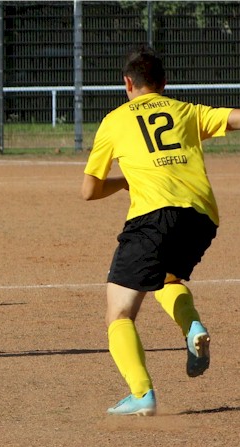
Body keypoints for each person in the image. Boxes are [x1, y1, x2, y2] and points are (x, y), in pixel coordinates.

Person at [81, 44, 240, 416]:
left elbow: (89, 190)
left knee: (119, 313)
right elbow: (235, 118)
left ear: (127, 83)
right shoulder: (186, 111)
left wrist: (124, 181)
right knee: (167, 279)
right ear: (164, 83)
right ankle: (192, 326)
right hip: (201, 216)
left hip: (152, 218)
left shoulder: (114, 121)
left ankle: (141, 395)